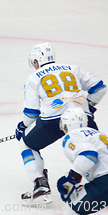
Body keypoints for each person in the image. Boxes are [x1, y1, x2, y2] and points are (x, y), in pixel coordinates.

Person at [15, 43, 106, 205]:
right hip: (82, 117)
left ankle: (39, 184)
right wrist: (89, 107)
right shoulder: (73, 68)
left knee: (27, 145)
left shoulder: (33, 78)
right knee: (94, 147)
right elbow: (99, 87)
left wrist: (23, 127)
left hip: (52, 120)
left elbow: (31, 113)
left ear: (37, 61)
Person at [57, 107, 108, 215]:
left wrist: (70, 180)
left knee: (71, 207)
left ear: (66, 125)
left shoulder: (72, 136)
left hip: (104, 181)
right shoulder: (98, 134)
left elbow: (89, 156)